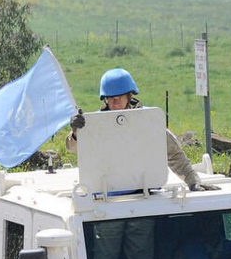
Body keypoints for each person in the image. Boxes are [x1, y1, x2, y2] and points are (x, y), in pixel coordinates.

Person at [67, 68, 217, 192]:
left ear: (129, 95)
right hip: (106, 197)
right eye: (110, 98)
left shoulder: (147, 120)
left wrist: (193, 182)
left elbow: (174, 154)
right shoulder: (95, 123)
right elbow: (72, 149)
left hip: (144, 195)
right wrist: (76, 133)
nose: (115, 102)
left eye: (119, 97)